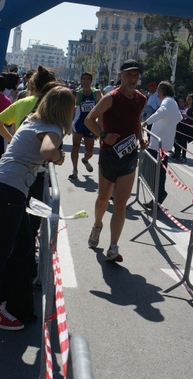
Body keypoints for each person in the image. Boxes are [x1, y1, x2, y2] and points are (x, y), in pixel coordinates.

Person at [0, 85, 75, 330]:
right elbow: (47, 150)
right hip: (10, 190)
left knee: (20, 248)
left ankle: (14, 303)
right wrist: (58, 156)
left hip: (9, 185)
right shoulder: (51, 128)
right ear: (64, 110)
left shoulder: (33, 121)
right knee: (5, 252)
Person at [85, 59, 147, 262]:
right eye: (129, 74)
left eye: (136, 75)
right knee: (103, 198)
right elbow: (89, 120)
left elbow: (136, 121)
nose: (133, 78)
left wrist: (141, 138)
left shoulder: (141, 99)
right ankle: (96, 225)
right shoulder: (111, 98)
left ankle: (113, 247)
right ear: (120, 75)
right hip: (109, 155)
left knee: (121, 204)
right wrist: (103, 135)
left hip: (129, 157)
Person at [141, 81, 182, 208]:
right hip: (163, 144)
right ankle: (157, 197)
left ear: (162, 91)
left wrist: (145, 123)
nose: (157, 94)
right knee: (157, 172)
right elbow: (179, 118)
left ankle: (159, 195)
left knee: (148, 171)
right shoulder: (173, 102)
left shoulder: (167, 101)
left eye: (158, 91)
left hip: (158, 144)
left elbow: (160, 113)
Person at [69, 72, 102, 179]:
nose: (86, 81)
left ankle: (85, 160)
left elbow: (102, 110)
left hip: (90, 125)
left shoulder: (96, 93)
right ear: (81, 80)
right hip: (79, 123)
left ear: (91, 81)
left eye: (88, 78)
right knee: (75, 146)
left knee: (90, 151)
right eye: (84, 78)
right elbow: (73, 110)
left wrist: (99, 128)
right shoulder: (78, 94)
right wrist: (69, 124)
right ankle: (74, 170)